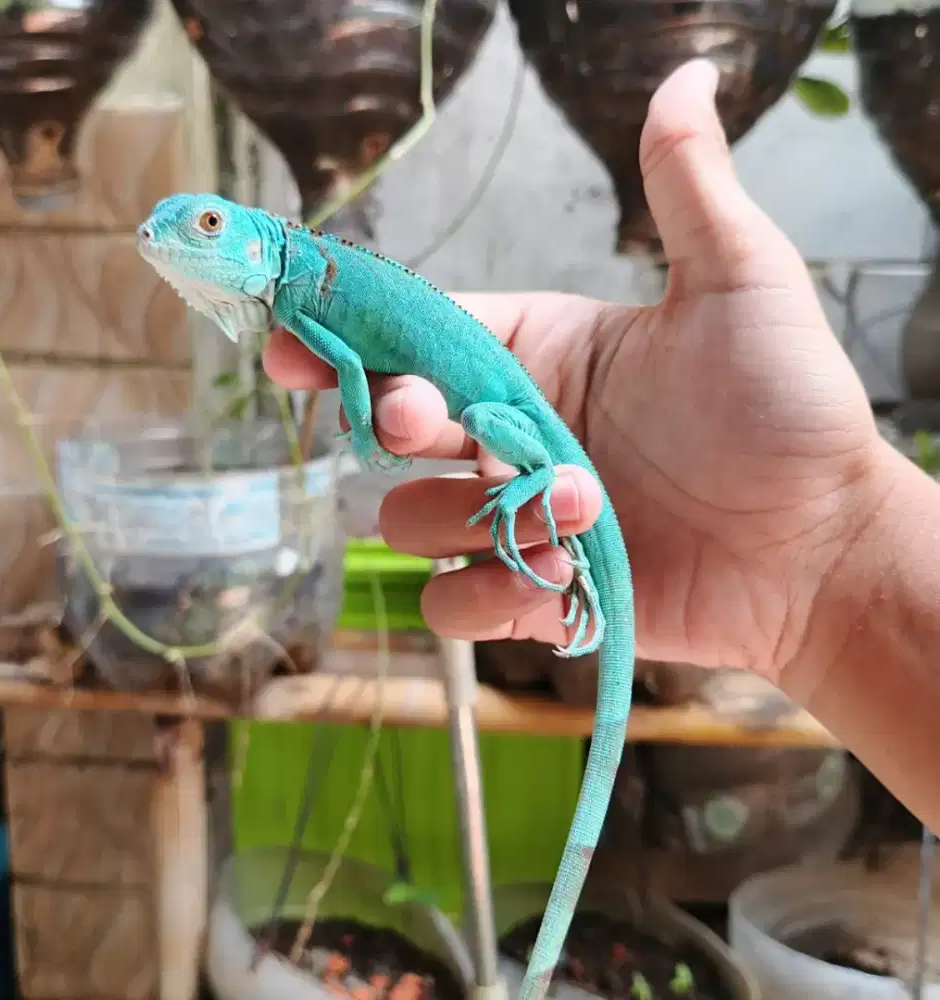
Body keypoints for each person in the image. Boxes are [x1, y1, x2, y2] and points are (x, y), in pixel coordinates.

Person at [263, 59, 940, 831]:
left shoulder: (299, 284)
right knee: (478, 456)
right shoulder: (298, 286)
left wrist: (380, 435)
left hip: (512, 416)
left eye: (210, 228)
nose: (179, 238)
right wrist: (829, 566)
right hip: (524, 417)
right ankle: (562, 532)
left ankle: (540, 498)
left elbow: (352, 368)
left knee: (481, 427)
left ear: (256, 242)